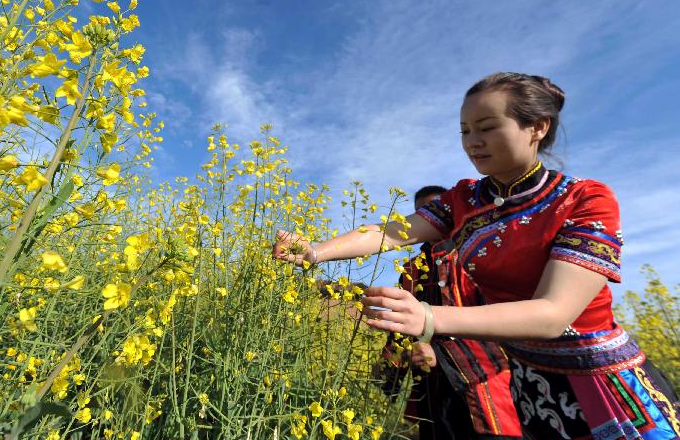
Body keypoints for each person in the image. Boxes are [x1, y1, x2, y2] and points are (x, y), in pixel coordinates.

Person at [274, 72, 679, 440]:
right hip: (528, 384)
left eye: (487, 128)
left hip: (601, 387)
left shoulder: (584, 199)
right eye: (465, 131)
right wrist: (315, 251)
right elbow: (391, 232)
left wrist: (430, 318)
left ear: (537, 127)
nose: (472, 142)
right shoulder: (466, 198)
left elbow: (554, 314)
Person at [385, 185, 521, 440]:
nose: (429, 217)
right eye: (421, 212)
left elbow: (507, 319)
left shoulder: (479, 255)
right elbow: (400, 326)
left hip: (484, 382)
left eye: (437, 209)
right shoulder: (411, 269)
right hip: (430, 388)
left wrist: (439, 353)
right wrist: (391, 369)